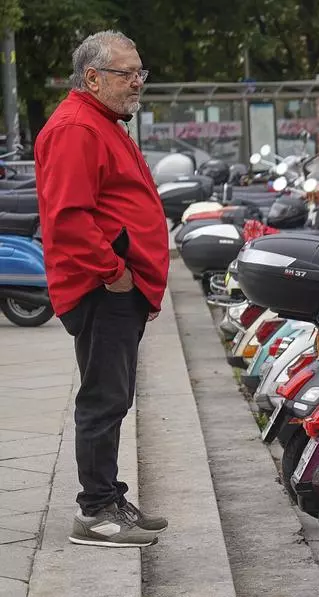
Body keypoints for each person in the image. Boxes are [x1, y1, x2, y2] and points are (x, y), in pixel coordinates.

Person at [35, 30, 169, 548]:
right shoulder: (77, 128)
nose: (137, 82)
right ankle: (94, 512)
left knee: (114, 395)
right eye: (127, 73)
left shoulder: (102, 122)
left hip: (116, 289)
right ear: (92, 77)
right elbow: (69, 219)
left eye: (140, 72)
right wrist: (116, 273)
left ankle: (109, 496)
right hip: (101, 288)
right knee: (103, 398)